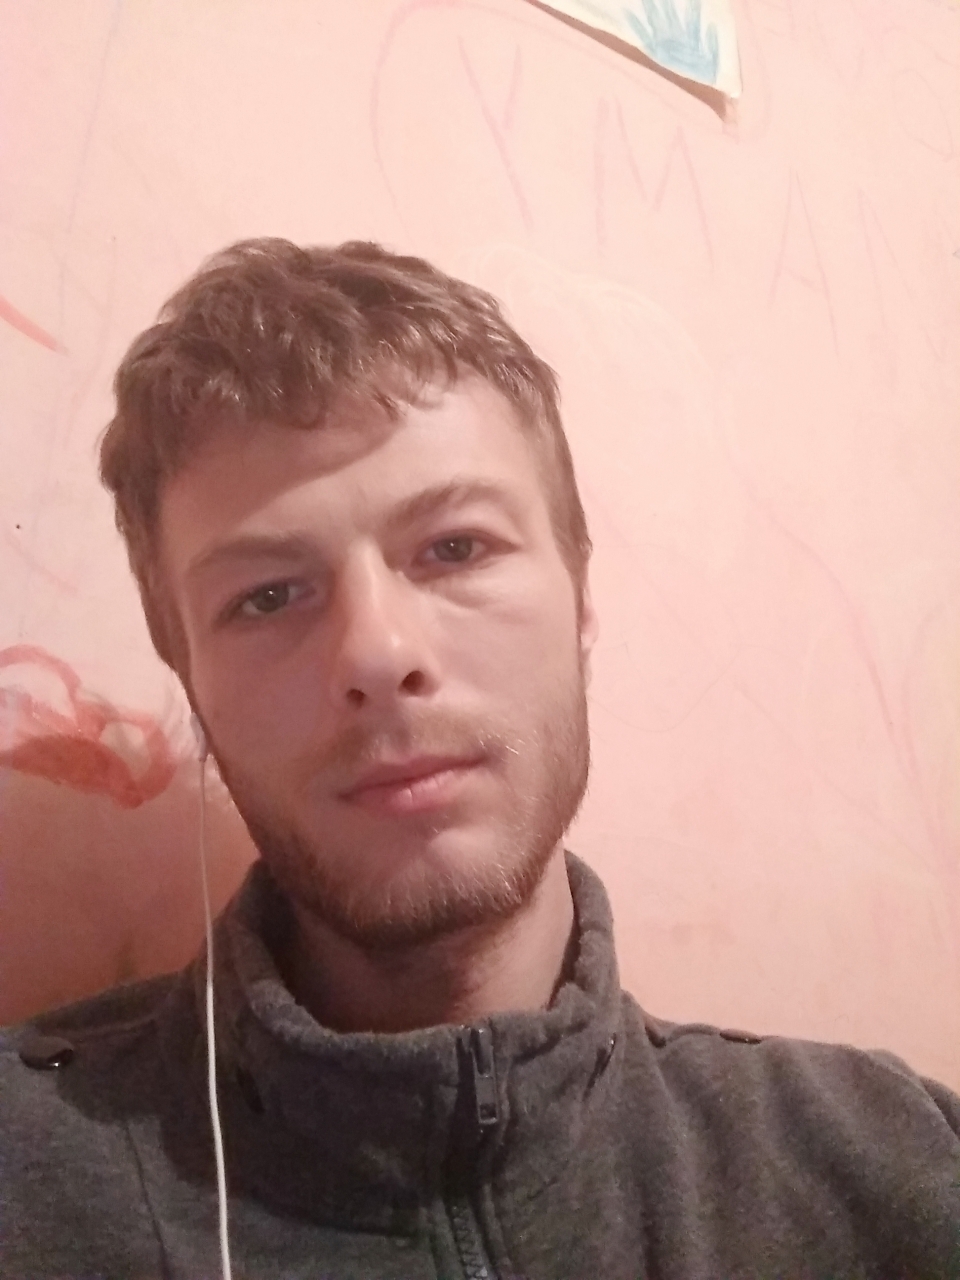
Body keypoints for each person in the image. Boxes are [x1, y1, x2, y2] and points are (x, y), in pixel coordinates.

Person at [1, 239, 957, 1280]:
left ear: (580, 599)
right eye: (266, 596)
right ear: (189, 674)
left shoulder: (891, 1158)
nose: (378, 655)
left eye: (456, 547)